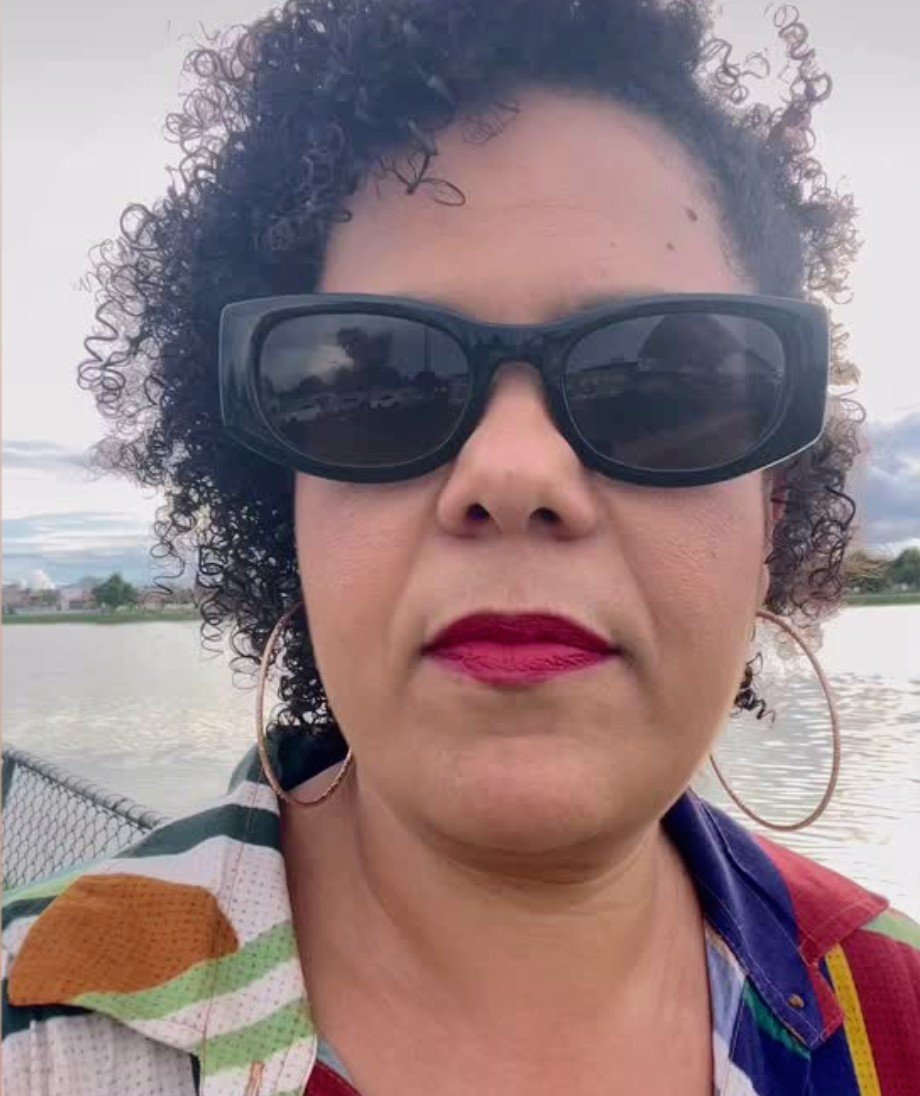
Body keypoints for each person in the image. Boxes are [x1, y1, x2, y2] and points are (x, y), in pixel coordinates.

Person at [3, 0, 919, 1092]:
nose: (514, 473)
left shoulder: (898, 1010)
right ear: (286, 497)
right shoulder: (38, 1037)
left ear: (771, 507)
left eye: (666, 385)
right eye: (373, 386)